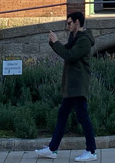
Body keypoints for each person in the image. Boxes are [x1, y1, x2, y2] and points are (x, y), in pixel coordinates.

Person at [35, 11, 97, 161]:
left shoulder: (84, 40)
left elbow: (70, 55)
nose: (67, 25)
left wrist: (56, 42)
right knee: (62, 115)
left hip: (78, 85)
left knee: (83, 117)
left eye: (69, 23)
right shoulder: (74, 36)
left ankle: (92, 151)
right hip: (71, 85)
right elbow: (65, 51)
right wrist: (53, 42)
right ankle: (52, 149)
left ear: (77, 22)